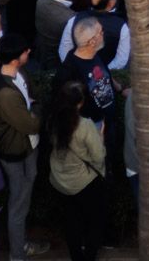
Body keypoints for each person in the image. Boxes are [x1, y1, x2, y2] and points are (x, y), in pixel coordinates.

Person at [0, 33, 43, 261]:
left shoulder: (14, 74)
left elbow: (31, 99)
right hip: (16, 152)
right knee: (19, 203)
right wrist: (37, 112)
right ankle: (18, 254)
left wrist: (33, 109)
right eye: (25, 51)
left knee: (22, 197)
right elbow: (31, 123)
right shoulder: (6, 94)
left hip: (25, 148)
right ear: (16, 58)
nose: (29, 52)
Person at [46, 79, 108, 261]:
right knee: (93, 223)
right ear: (80, 102)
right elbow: (98, 156)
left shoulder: (52, 121)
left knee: (71, 223)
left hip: (59, 181)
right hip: (85, 182)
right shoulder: (85, 125)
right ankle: (88, 257)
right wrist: (101, 137)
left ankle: (76, 257)